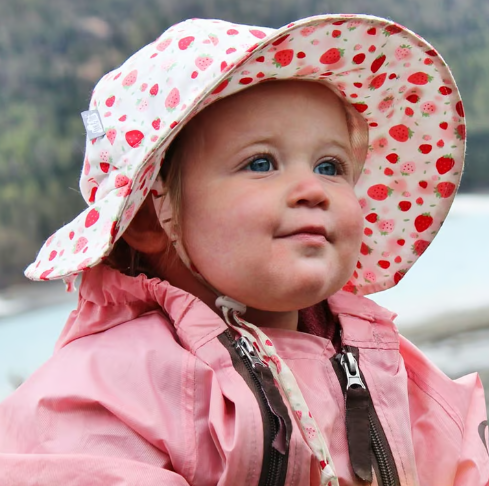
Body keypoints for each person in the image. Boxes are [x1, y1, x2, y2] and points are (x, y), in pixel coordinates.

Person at [0, 13, 487, 486]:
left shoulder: (382, 363)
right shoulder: (97, 397)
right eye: (260, 163)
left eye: (330, 166)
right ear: (152, 218)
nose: (311, 189)